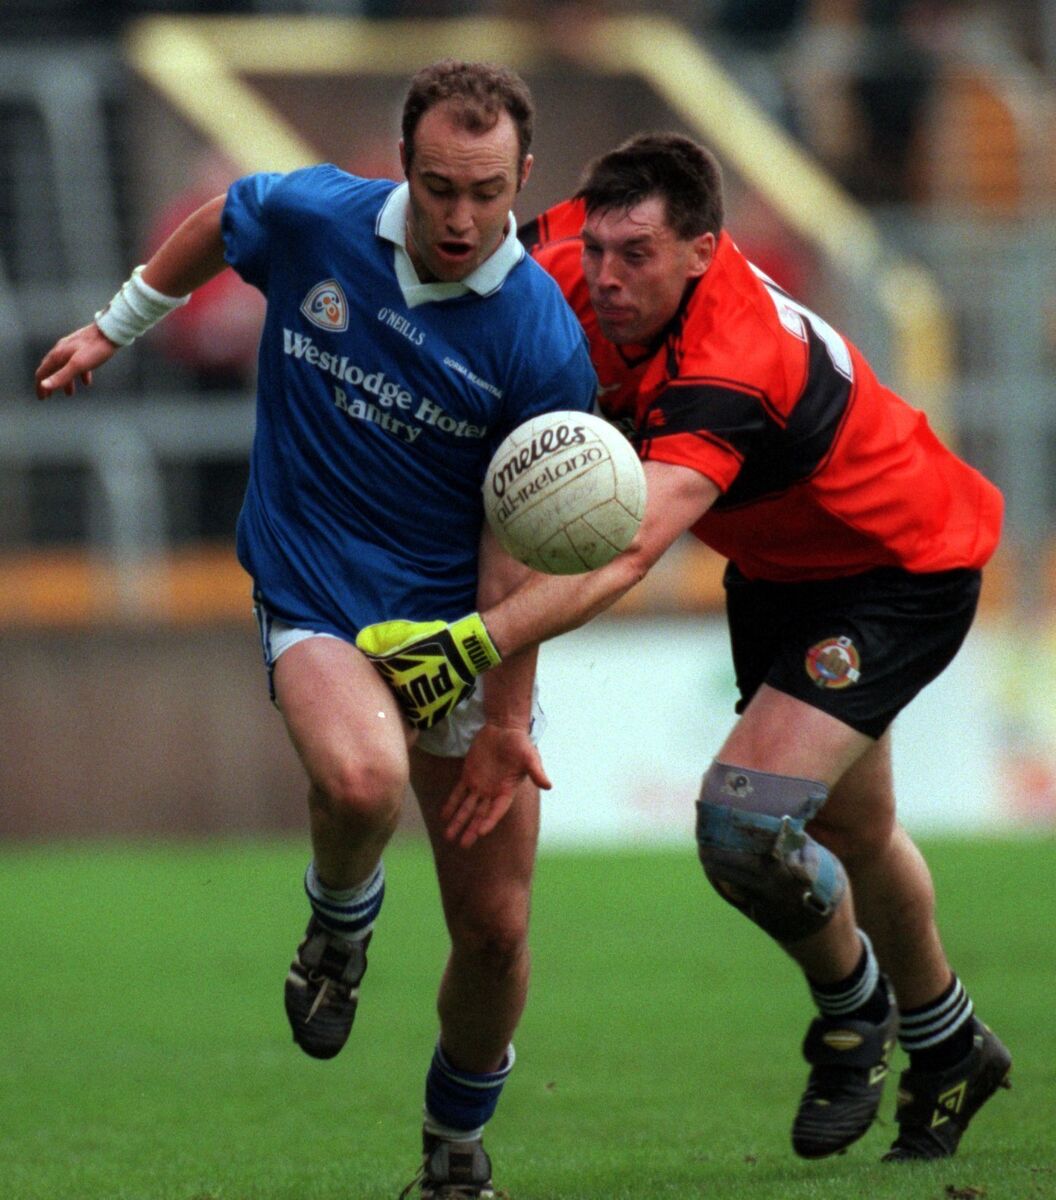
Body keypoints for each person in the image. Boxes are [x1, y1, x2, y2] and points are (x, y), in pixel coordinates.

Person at [356, 132, 1012, 1165]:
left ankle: (855, 1016)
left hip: (900, 569)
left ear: (704, 251)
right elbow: (456, 277)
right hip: (780, 571)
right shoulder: (563, 252)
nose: (607, 279)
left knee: (744, 826)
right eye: (602, 250)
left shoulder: (732, 364)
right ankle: (948, 1042)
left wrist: (463, 650)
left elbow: (618, 555)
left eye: (640, 259)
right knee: (856, 828)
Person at [34, 60, 597, 1199]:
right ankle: (339, 924)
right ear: (404, 164)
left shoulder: (542, 341)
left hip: (458, 635)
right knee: (357, 782)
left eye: (487, 192)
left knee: (494, 932)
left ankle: (452, 1154)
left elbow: (520, 548)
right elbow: (217, 223)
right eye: (439, 185)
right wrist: (115, 326)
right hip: (317, 594)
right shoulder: (315, 215)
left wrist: (503, 718)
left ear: (523, 179)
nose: (461, 215)